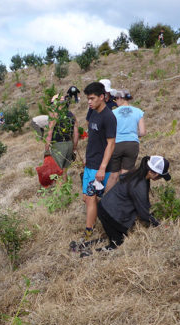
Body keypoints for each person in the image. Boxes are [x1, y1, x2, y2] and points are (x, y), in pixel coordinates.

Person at [95, 156, 169, 251]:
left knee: (117, 237)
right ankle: (88, 253)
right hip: (109, 213)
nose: (160, 179)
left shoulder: (138, 173)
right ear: (151, 172)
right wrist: (158, 224)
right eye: (160, 176)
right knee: (117, 245)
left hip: (105, 207)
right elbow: (143, 214)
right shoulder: (139, 185)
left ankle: (84, 246)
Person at [82, 81, 117, 240]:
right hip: (91, 163)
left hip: (99, 166)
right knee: (87, 198)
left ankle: (89, 232)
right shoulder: (94, 112)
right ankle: (96, 222)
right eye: (88, 99)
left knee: (90, 198)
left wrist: (102, 168)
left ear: (102, 97)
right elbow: (93, 139)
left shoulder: (108, 117)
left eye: (92, 98)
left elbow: (111, 144)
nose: (89, 102)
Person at [106, 90, 146, 192]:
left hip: (116, 144)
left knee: (113, 175)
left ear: (120, 98)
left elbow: (108, 131)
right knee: (126, 175)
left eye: (115, 99)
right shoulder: (138, 111)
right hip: (132, 144)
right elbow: (142, 132)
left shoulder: (112, 113)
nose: (115, 102)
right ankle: (124, 198)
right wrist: (133, 135)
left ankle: (106, 200)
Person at [44, 96, 79, 181]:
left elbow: (50, 133)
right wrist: (74, 147)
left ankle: (60, 192)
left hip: (58, 145)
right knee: (64, 171)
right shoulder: (71, 115)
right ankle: (66, 190)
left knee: (58, 172)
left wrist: (46, 149)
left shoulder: (55, 115)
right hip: (69, 144)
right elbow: (76, 133)